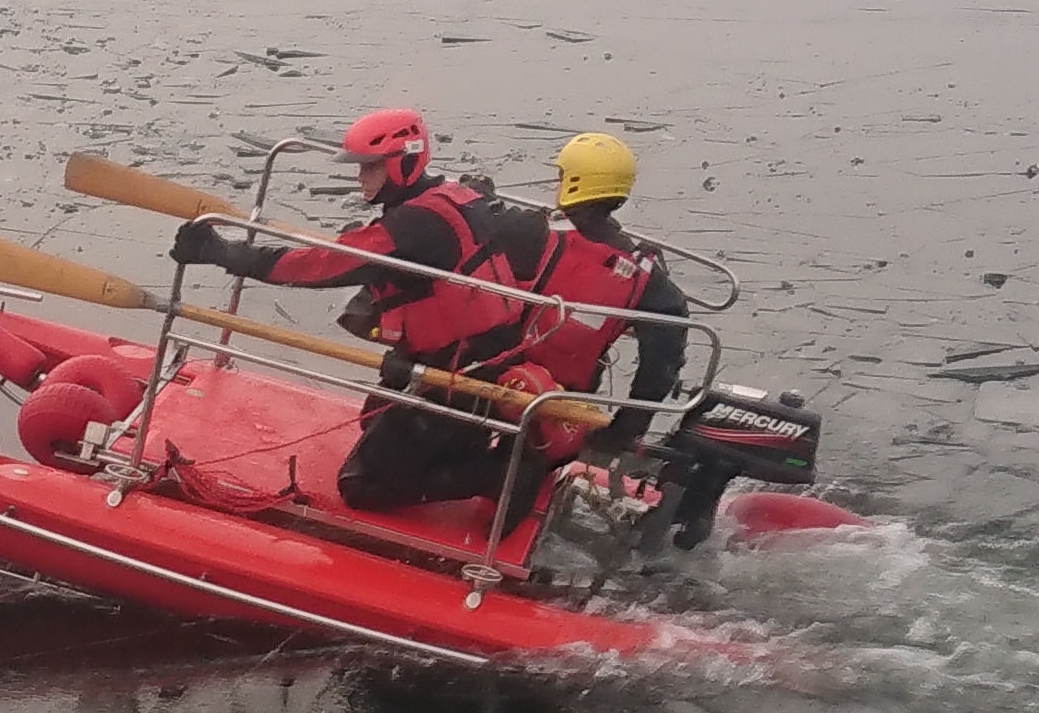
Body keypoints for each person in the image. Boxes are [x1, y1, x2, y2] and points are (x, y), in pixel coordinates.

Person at [170, 105, 558, 514]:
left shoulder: (413, 227)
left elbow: (317, 265)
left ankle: (498, 476)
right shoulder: (459, 196)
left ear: (403, 164)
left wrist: (222, 252)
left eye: (370, 167)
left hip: (460, 377)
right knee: (374, 417)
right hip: (478, 356)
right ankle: (467, 445)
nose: (360, 177)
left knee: (360, 485)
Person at [516, 128, 700, 526]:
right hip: (565, 406)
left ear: (573, 181)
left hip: (499, 385)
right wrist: (627, 429)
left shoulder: (531, 233)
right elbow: (664, 356)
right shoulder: (643, 273)